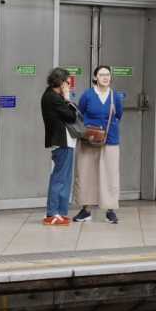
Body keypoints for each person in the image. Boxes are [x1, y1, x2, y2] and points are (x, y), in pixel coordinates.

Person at [73, 65, 125, 224]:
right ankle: (86, 209)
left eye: (108, 74)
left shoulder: (115, 96)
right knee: (86, 173)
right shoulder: (87, 95)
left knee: (110, 174)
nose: (105, 77)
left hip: (110, 140)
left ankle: (110, 210)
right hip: (89, 140)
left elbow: (119, 115)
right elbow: (80, 114)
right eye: (102, 74)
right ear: (95, 77)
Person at [40, 67, 81, 226]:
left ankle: (60, 212)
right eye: (67, 82)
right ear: (60, 82)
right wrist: (67, 97)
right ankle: (53, 213)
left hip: (64, 142)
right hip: (62, 142)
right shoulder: (53, 98)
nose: (69, 85)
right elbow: (71, 116)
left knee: (64, 178)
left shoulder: (51, 95)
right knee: (60, 178)